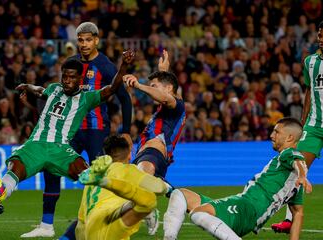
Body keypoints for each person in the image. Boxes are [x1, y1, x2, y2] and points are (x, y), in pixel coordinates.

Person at [0, 51, 135, 216]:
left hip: (60, 149)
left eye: (72, 77)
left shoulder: (86, 98)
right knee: (14, 167)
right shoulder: (54, 89)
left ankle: (128, 199)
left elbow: (112, 88)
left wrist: (124, 65)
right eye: (64, 76)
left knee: (89, 175)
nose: (67, 80)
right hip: (36, 144)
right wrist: (26, 86)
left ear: (80, 80)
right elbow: (39, 90)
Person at [21, 22, 132, 238]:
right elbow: (56, 99)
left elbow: (124, 99)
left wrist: (126, 130)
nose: (84, 44)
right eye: (80, 40)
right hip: (69, 131)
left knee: (100, 176)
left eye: (88, 40)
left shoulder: (106, 66)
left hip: (96, 129)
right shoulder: (71, 65)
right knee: (51, 168)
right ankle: (46, 225)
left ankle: (127, 209)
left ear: (97, 40)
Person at [163, 117, 311, 240]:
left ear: (290, 137)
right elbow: (298, 213)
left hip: (247, 208)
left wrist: (303, 175)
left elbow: (298, 160)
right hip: (243, 207)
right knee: (180, 194)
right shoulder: (294, 183)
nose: (272, 135)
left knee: (198, 214)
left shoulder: (288, 153)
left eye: (276, 132)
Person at [123, 51, 186, 235]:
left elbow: (167, 96)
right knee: (133, 186)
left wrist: (138, 85)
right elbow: (169, 90)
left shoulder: (175, 104)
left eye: (155, 86)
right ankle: (159, 200)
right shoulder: (169, 106)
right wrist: (163, 71)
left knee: (143, 171)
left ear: (168, 89)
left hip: (154, 153)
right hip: (145, 152)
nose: (152, 89)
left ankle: (151, 206)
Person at [271, 20, 323, 233]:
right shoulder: (310, 62)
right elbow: (309, 92)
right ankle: (289, 220)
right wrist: (302, 124)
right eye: (320, 34)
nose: (321, 38)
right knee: (296, 169)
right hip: (314, 126)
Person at [76, 135, 171, 240]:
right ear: (129, 155)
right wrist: (167, 188)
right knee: (149, 200)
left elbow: (81, 221)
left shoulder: (91, 175)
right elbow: (158, 188)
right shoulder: (128, 170)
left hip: (89, 228)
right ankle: (144, 210)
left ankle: (136, 207)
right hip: (111, 222)